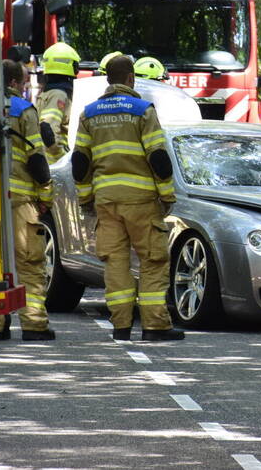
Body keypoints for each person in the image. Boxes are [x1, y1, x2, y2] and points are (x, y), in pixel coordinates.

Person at [72, 55, 183, 342]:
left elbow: (80, 162)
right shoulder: (142, 110)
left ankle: (121, 326)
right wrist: (167, 195)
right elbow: (158, 156)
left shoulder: (89, 113)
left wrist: (85, 198)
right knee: (153, 260)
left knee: (115, 263)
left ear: (108, 79)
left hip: (107, 201)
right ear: (131, 78)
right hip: (141, 201)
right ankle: (155, 326)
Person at [0, 60, 55, 341]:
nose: (25, 87)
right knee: (30, 263)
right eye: (24, 82)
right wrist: (46, 194)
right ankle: (34, 324)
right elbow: (36, 157)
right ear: (14, 82)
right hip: (20, 199)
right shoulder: (24, 110)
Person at [36, 42, 80, 164]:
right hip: (55, 163)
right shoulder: (58, 95)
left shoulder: (49, 92)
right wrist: (64, 158)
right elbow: (48, 130)